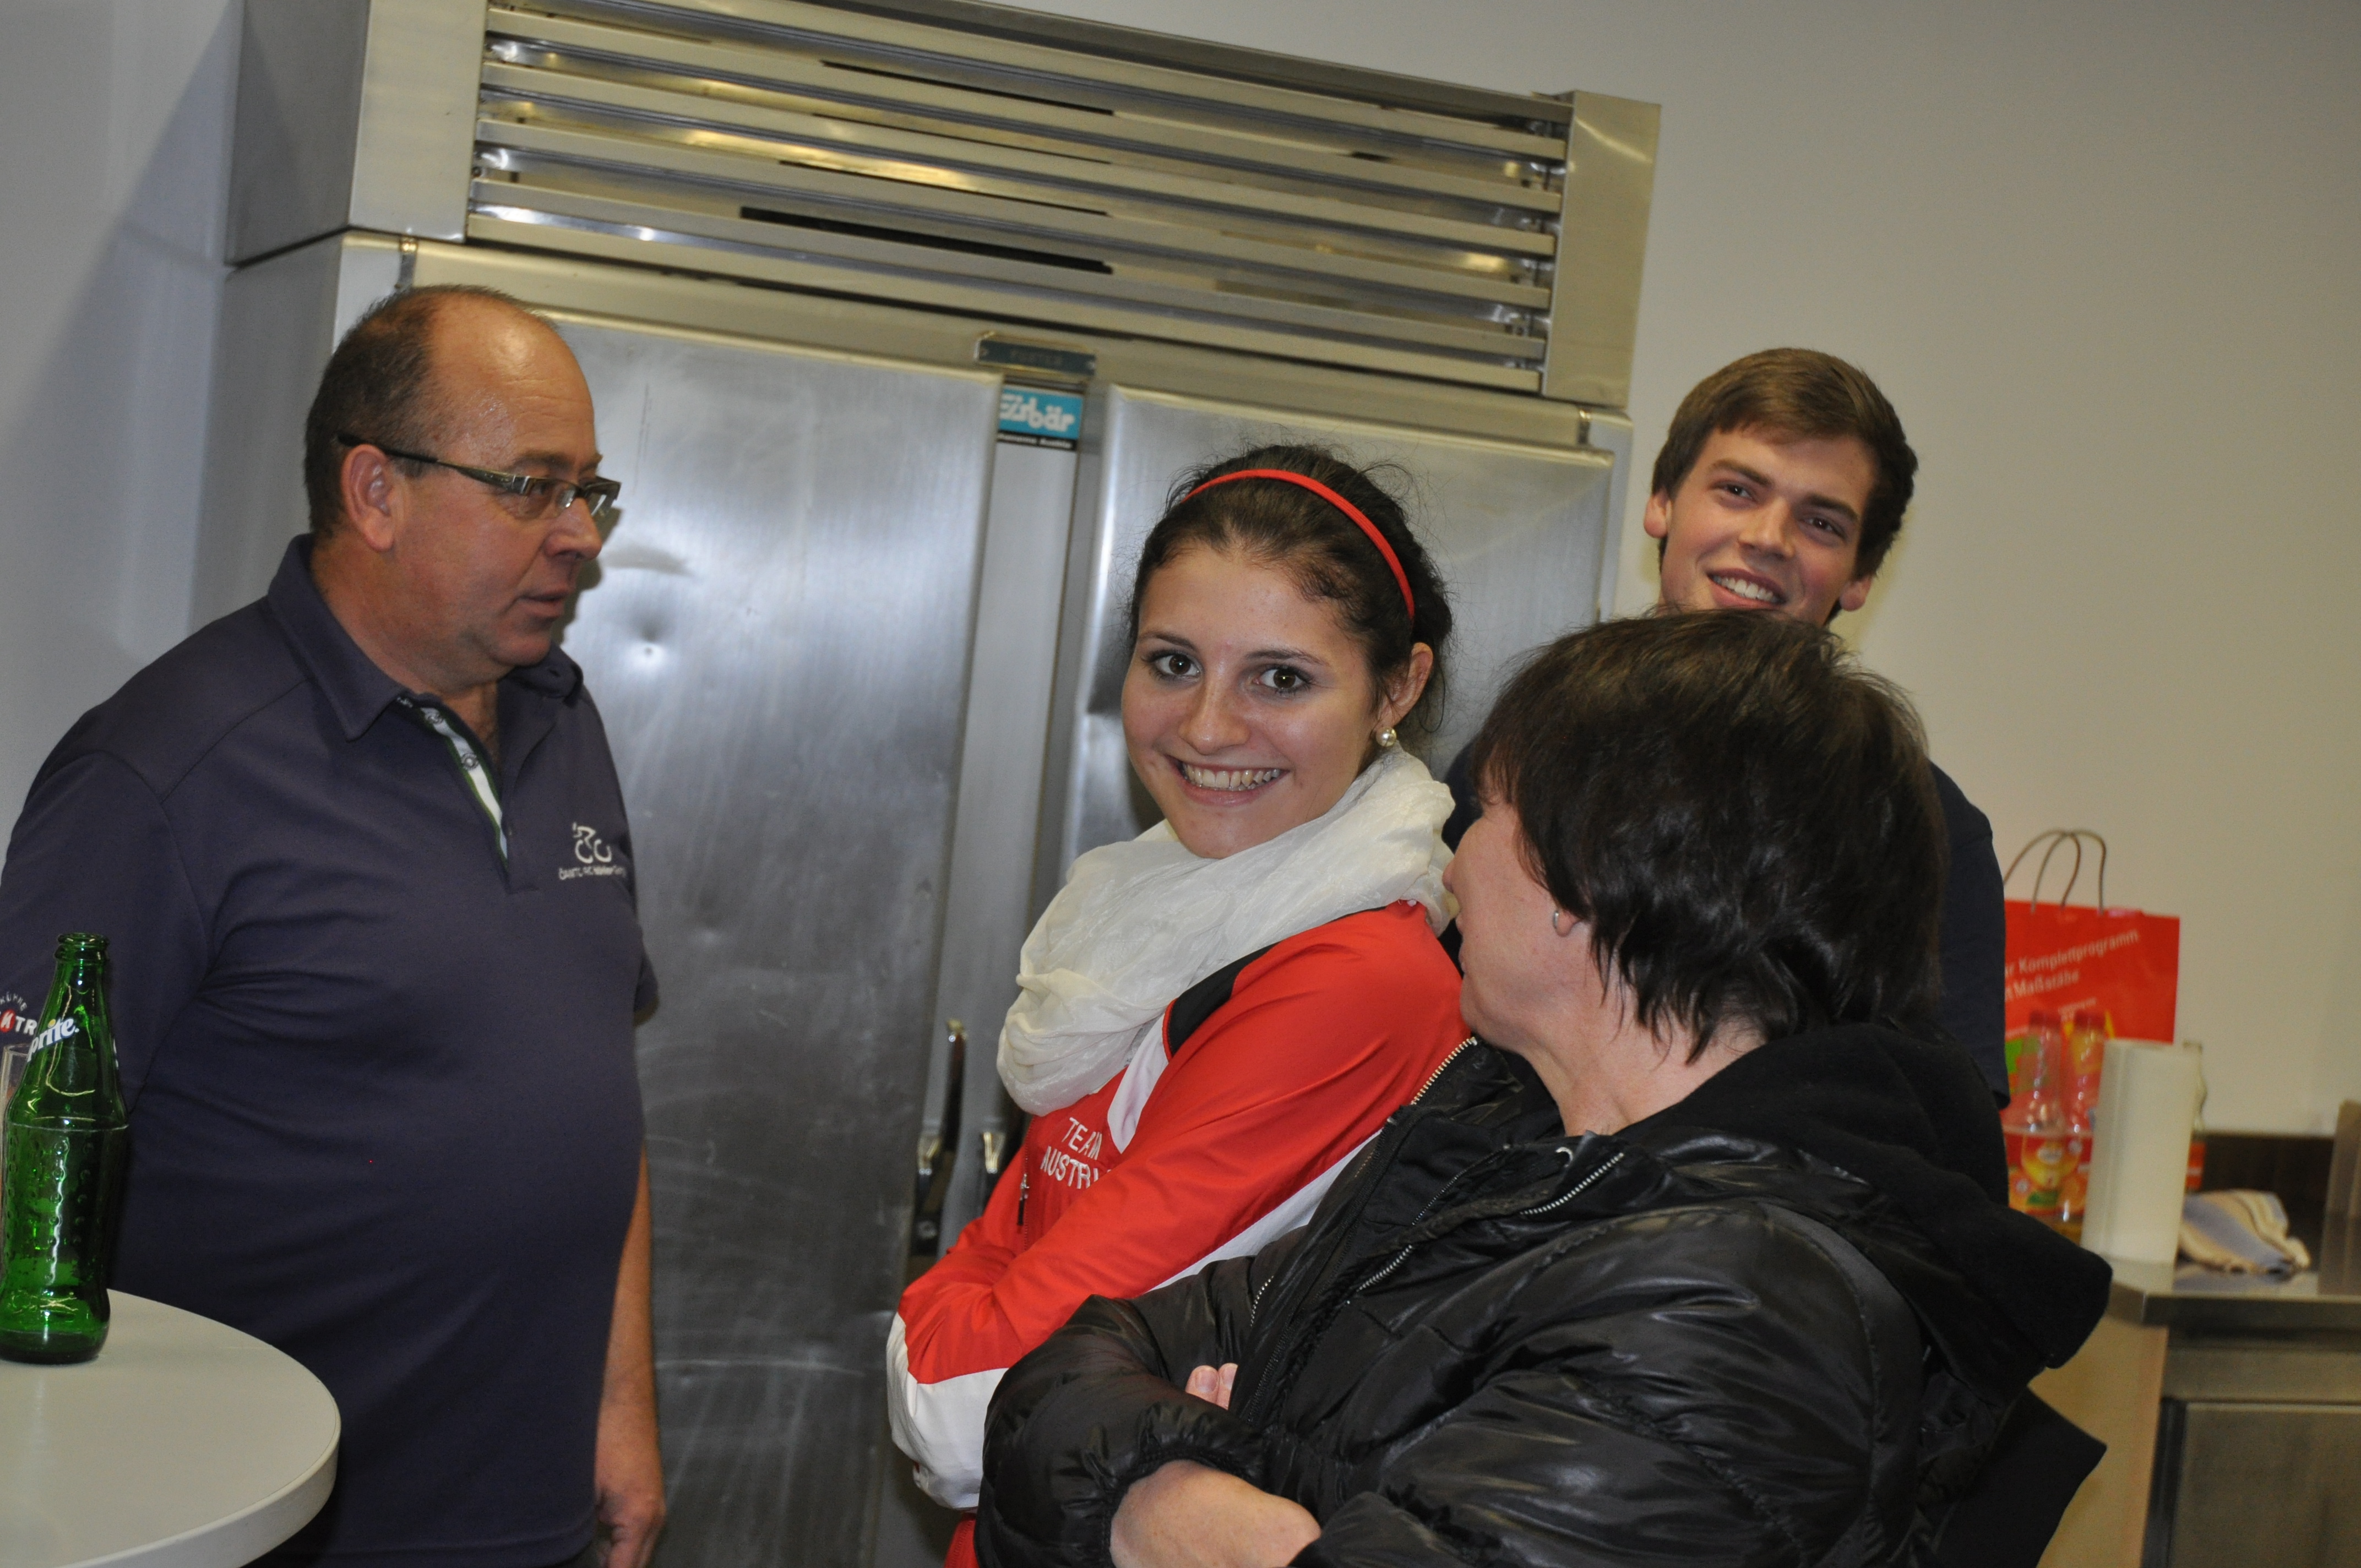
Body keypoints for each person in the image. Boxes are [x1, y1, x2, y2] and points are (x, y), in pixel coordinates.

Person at [977, 611, 2113, 1568]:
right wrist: (1224, 1506)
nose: (1454, 859)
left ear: (1590, 882)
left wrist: (1181, 1479)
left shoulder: (1738, 1305)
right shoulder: (1497, 1134)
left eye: (1489, 815)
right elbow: (1065, 1372)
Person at [0, 285, 663, 1568]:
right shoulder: (165, 771)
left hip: (526, 1513)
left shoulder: (559, 716)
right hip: (267, 1523)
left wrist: (618, 1402)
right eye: (532, 487)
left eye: (590, 490)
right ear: (375, 491)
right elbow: (16, 1145)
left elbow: (592, 1084)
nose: (580, 535)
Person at [890, 448, 1471, 1567]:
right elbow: (1015, 1237)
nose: (1206, 727)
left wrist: (939, 1323)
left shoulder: (1352, 978)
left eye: (1280, 678)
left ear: (1396, 691)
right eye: (1173, 662)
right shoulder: (1149, 905)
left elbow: (962, 1407)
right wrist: (965, 1309)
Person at [1441, 349, 2010, 1097]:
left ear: (1861, 576)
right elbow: (1435, 1027)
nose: (1770, 537)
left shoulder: (1918, 827)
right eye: (1739, 490)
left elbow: (1940, 1121)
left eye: (1822, 522)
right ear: (1662, 503)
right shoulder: (1521, 762)